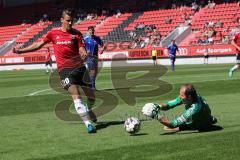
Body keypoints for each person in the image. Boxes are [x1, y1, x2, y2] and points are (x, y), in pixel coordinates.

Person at [12, 8, 97, 134]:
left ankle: (89, 109)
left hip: (79, 68)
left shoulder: (77, 34)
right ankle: (88, 124)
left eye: (72, 21)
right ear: (62, 20)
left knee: (92, 97)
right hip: (65, 70)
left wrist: (84, 53)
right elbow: (38, 44)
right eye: (68, 21)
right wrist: (21, 50)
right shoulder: (53, 33)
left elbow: (82, 49)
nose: (70, 23)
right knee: (76, 94)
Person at [142, 83, 218, 132]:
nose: (179, 97)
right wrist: (158, 106)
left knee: (168, 128)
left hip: (198, 122)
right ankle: (209, 119)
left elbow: (172, 124)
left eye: (181, 95)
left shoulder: (194, 108)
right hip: (205, 113)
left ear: (189, 97)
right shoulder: (190, 97)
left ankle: (203, 123)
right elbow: (168, 105)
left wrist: (156, 116)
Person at [83, 26, 105, 90]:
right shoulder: (85, 39)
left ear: (94, 31)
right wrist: (85, 52)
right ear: (88, 31)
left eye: (92, 30)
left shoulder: (97, 38)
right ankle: (92, 86)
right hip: (89, 57)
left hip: (96, 57)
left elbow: (103, 45)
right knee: (92, 71)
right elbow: (81, 47)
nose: (91, 31)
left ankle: (91, 84)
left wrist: (102, 50)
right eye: (90, 30)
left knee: (95, 72)